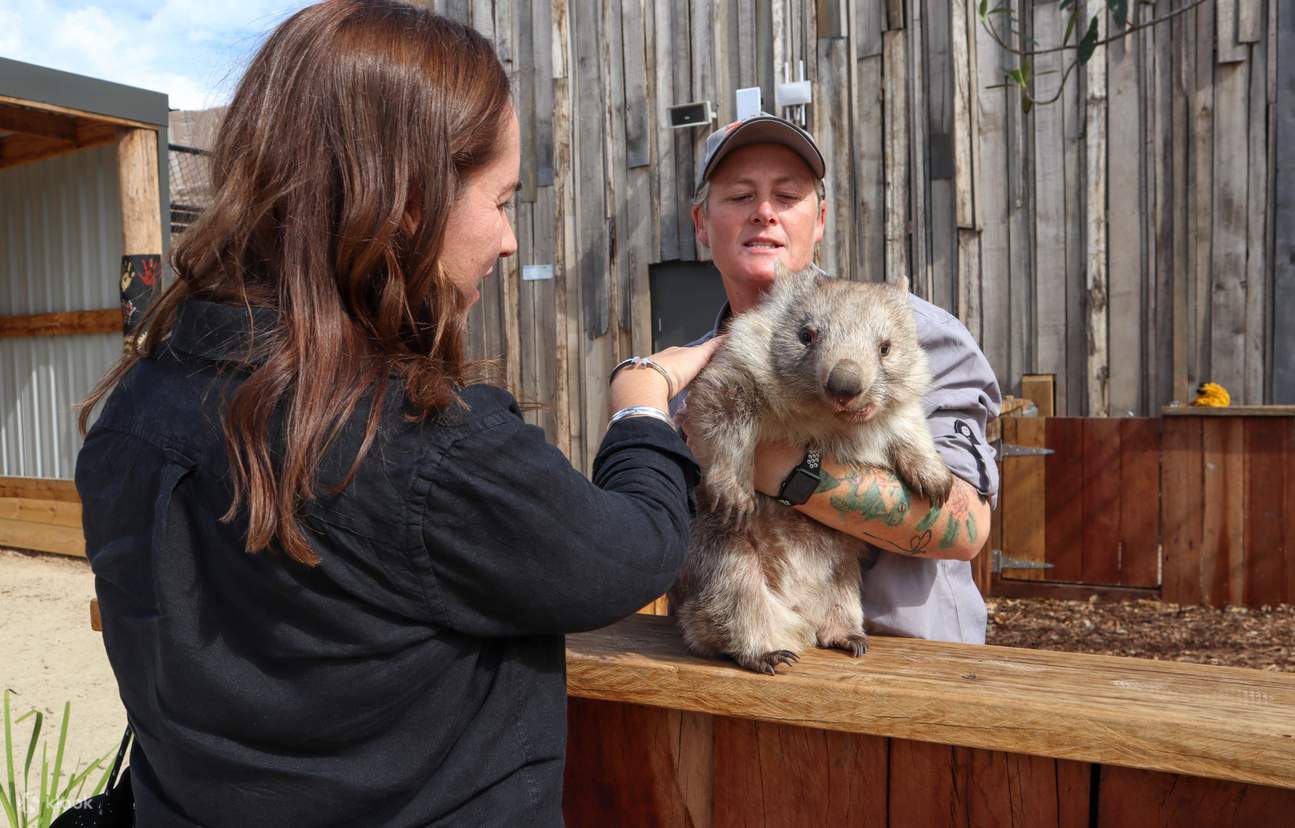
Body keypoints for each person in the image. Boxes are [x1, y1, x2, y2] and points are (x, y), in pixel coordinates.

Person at [74, 3, 718, 825]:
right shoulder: (420, 446)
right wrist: (642, 410)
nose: (508, 240)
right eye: (500, 200)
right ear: (408, 200)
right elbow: (629, 554)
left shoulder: (134, 404)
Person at [679, 114, 1002, 644]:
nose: (764, 212)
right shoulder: (686, 367)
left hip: (908, 663)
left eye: (787, 196)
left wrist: (781, 469)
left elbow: (964, 527)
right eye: (739, 196)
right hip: (752, 648)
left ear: (820, 219)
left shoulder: (919, 333)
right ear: (700, 222)